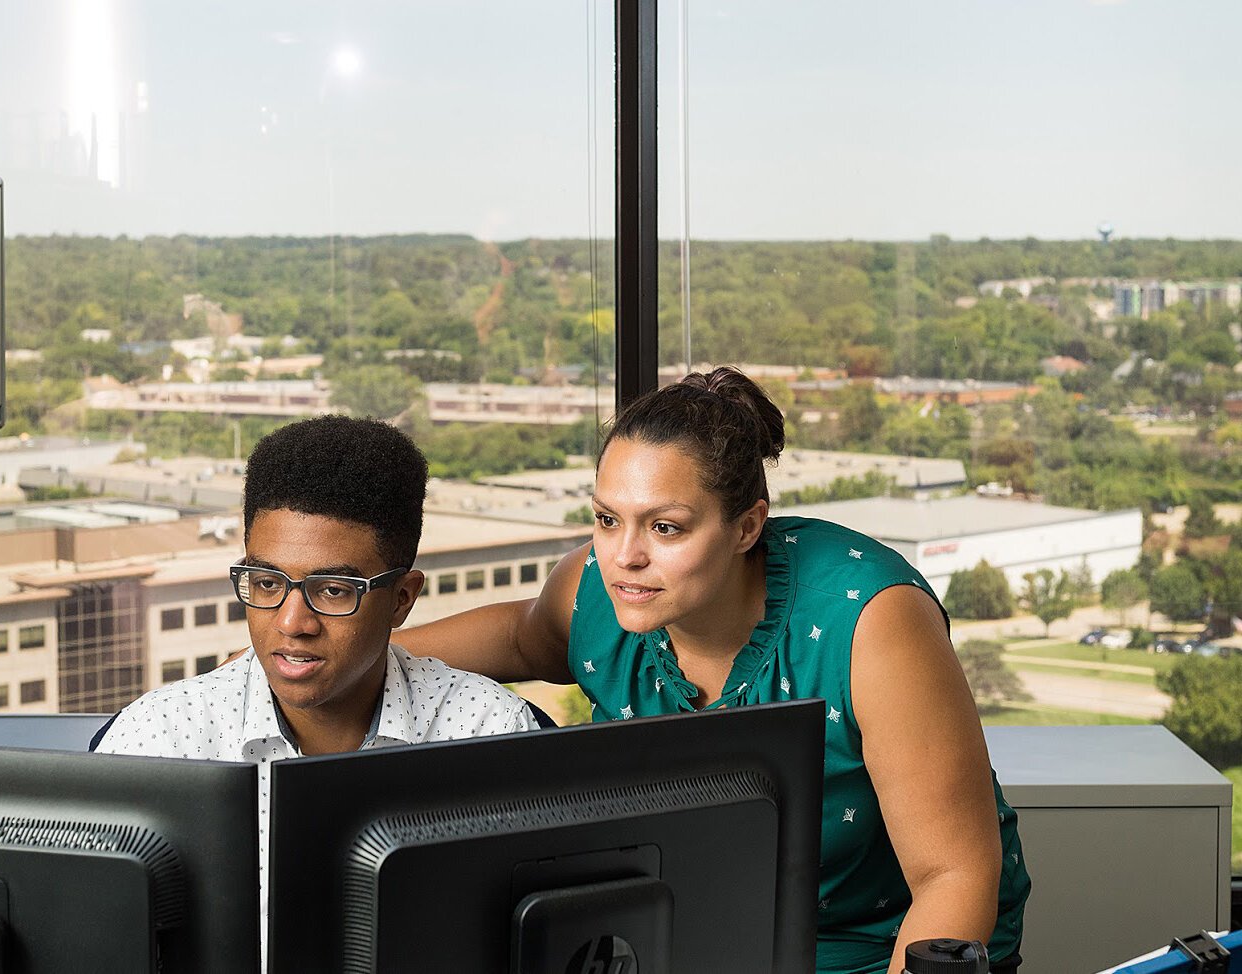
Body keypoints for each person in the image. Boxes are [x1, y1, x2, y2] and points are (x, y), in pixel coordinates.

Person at [399, 367, 1031, 974]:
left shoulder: (869, 620)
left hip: (877, 943)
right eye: (606, 518)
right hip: (701, 931)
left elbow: (954, 874)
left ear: (747, 527)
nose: (624, 558)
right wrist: (363, 655)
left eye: (666, 527)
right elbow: (518, 638)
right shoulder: (597, 589)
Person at [95, 415, 537, 969]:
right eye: (266, 583)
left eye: (332, 590)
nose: (291, 622)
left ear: (402, 597)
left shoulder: (487, 735)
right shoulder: (159, 740)